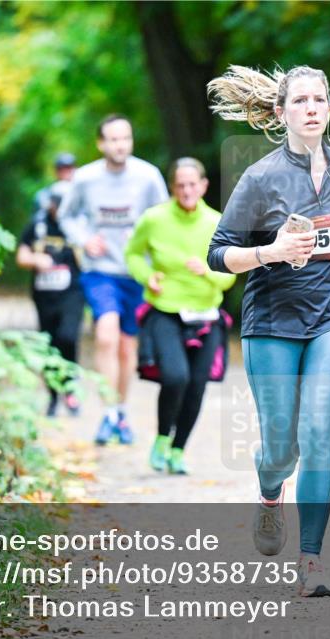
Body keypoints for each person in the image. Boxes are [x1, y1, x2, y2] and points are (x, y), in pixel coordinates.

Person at [207, 65, 330, 596]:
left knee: (317, 435)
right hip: (273, 323)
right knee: (280, 449)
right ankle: (269, 493)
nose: (311, 108)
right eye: (300, 100)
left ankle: (311, 563)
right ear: (282, 112)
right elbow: (218, 254)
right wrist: (271, 252)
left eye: (319, 99)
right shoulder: (260, 178)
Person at [58, 115, 169, 445]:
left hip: (135, 271)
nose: (120, 145)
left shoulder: (148, 176)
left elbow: (163, 219)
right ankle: (108, 412)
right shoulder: (86, 178)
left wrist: (160, 263)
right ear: (101, 143)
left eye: (126, 138)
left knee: (126, 346)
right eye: (114, 139)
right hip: (100, 270)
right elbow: (67, 215)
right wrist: (83, 239)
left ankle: (119, 412)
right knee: (105, 334)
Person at [124, 158, 236, 474]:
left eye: (192, 184)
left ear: (203, 186)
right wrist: (147, 276)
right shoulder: (154, 219)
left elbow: (229, 276)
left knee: (197, 384)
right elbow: (132, 253)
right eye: (180, 185)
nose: (187, 190)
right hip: (165, 311)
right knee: (175, 377)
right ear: (173, 187)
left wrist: (208, 272)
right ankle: (161, 438)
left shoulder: (217, 222)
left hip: (206, 314)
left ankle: (178, 450)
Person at [16, 175, 84, 417]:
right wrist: (36, 260)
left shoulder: (80, 225)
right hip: (44, 295)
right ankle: (53, 396)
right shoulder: (38, 225)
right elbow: (21, 255)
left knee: (68, 336)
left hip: (73, 293)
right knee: (49, 342)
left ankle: (70, 387)